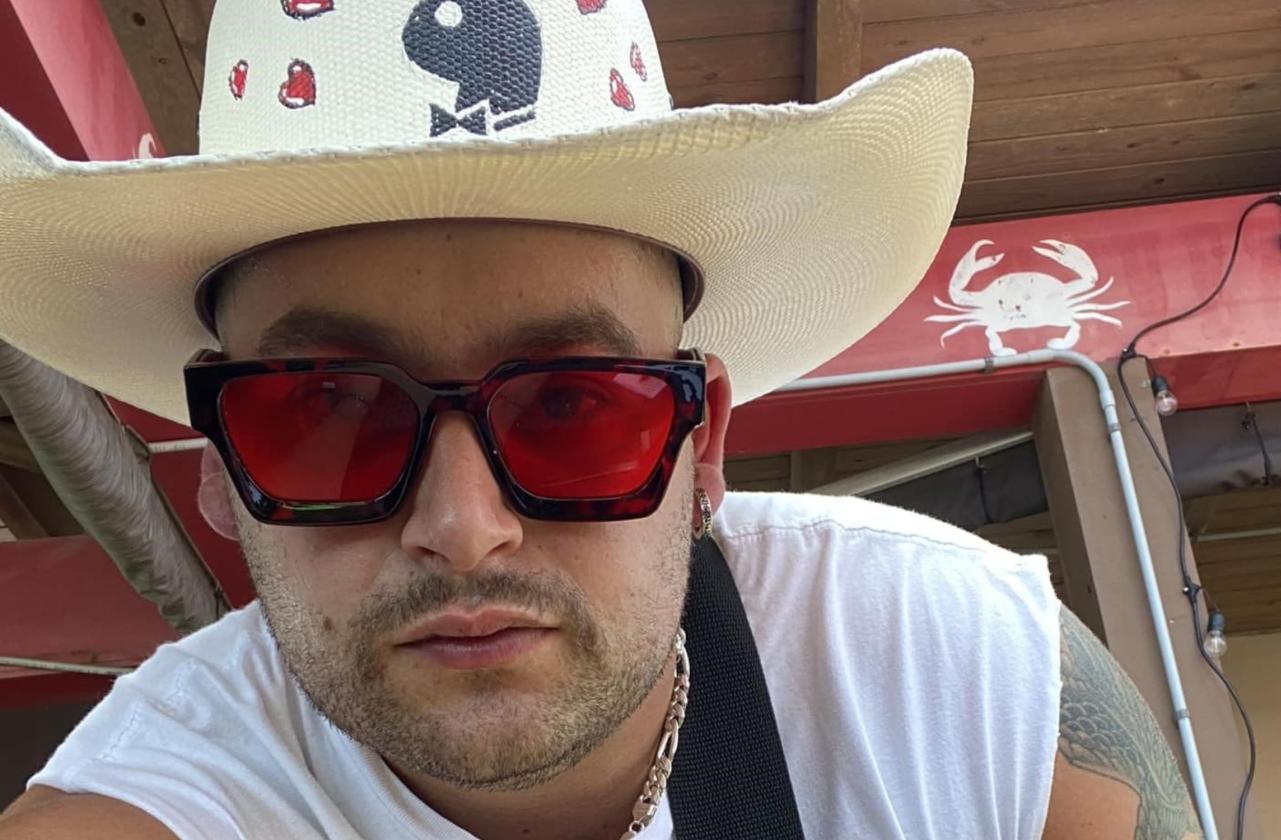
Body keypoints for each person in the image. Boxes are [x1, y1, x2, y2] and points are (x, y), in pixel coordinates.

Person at [0, 1, 1204, 838]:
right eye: (327, 408)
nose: (463, 529)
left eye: (573, 403)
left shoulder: (962, 680)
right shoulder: (161, 787)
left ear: (704, 446)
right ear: (218, 465)